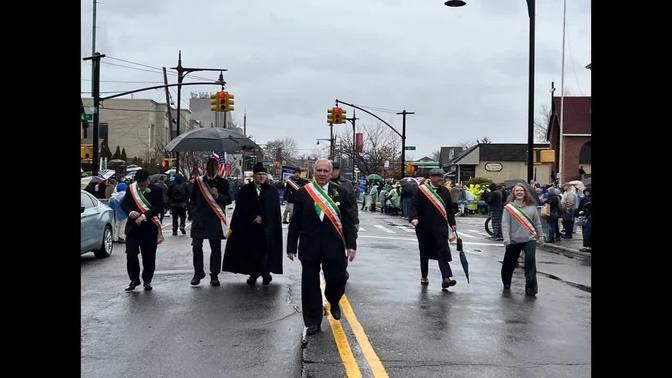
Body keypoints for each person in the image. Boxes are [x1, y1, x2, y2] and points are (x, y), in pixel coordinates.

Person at [287, 159, 357, 336]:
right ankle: (313, 321)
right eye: (319, 170)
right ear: (313, 171)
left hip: (333, 246)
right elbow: (295, 222)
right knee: (309, 284)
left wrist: (351, 245)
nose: (322, 173)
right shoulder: (303, 193)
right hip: (309, 245)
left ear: (331, 172)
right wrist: (291, 246)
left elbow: (348, 221)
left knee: (337, 279)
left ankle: (333, 301)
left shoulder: (340, 192)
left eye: (326, 171)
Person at [223, 163, 283, 285]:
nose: (261, 177)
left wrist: (264, 217)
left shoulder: (272, 191)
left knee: (266, 252)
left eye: (263, 174)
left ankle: (266, 273)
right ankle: (253, 274)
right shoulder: (245, 190)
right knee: (252, 253)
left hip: (267, 229)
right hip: (250, 228)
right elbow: (240, 209)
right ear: (254, 176)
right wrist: (252, 217)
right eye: (259, 174)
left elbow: (274, 210)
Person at [409, 169, 457, 289]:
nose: (441, 179)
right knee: (424, 251)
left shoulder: (445, 191)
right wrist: (413, 218)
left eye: (442, 176)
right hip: (424, 226)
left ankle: (446, 278)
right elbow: (414, 205)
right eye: (438, 176)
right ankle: (424, 275)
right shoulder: (421, 190)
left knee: (442, 249)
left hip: (440, 226)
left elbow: (449, 209)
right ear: (431, 178)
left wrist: (452, 223)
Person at [189, 157, 232, 286]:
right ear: (206, 167)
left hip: (214, 219)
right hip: (199, 219)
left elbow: (229, 199)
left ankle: (214, 274)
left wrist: (218, 195)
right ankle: (198, 273)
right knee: (196, 246)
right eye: (209, 166)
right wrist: (193, 212)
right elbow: (192, 199)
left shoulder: (223, 182)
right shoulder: (199, 181)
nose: (212, 169)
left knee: (216, 248)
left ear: (218, 168)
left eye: (214, 166)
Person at [120, 169, 164, 291]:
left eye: (143, 184)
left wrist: (144, 216)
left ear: (148, 181)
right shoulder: (131, 189)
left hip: (149, 228)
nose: (141, 186)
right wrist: (130, 212)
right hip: (133, 228)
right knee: (131, 253)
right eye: (139, 184)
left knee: (149, 256)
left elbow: (159, 207)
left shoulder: (157, 190)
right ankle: (134, 279)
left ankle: (147, 280)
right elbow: (124, 204)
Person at [501, 183, 544, 296]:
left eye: (521, 191)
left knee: (530, 261)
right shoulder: (509, 207)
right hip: (513, 240)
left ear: (525, 193)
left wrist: (541, 237)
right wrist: (506, 239)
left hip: (529, 239)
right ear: (513, 193)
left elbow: (537, 223)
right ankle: (506, 282)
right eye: (517, 191)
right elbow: (505, 225)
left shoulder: (532, 207)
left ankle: (531, 287)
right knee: (509, 264)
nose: (519, 192)